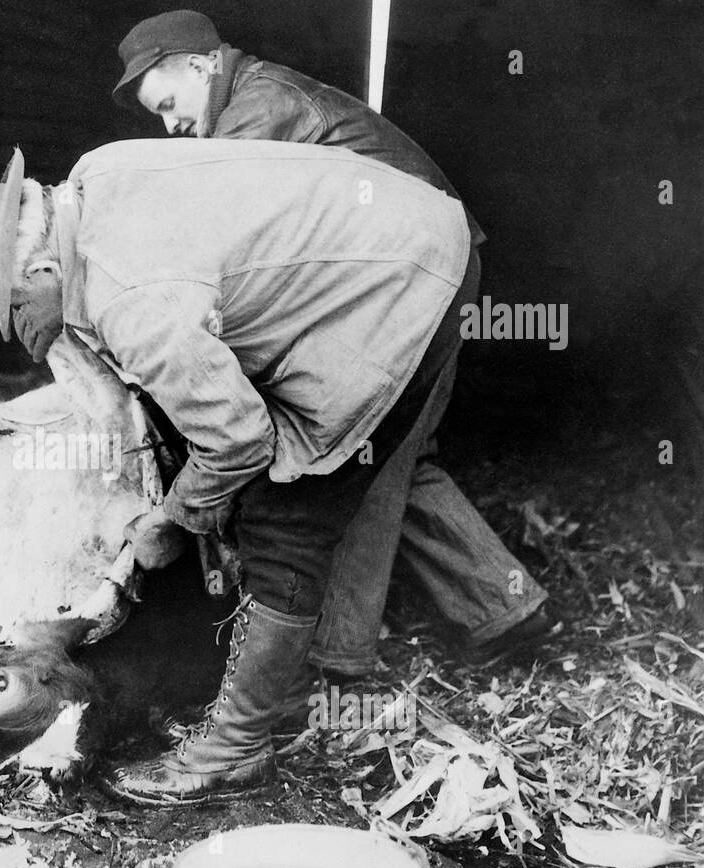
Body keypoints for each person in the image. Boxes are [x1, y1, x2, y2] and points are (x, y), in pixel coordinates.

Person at [0, 137, 491, 805]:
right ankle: (277, 695)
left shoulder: (132, 301)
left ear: (37, 269)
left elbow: (237, 441)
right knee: (264, 493)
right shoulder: (90, 180)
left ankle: (238, 747)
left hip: (400, 279)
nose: (26, 331)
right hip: (393, 240)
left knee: (287, 511)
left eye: (17, 311)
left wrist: (171, 520)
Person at [107, 10, 555, 670]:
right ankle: (507, 608)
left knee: (353, 454)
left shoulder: (258, 116)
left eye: (169, 104)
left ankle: (332, 660)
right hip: (426, 268)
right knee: (399, 450)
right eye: (158, 116)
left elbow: (220, 250)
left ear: (202, 63)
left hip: (418, 275)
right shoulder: (251, 101)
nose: (169, 125)